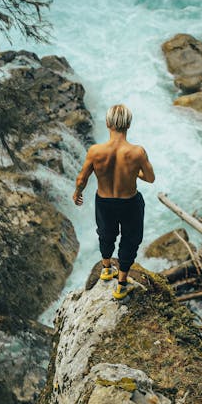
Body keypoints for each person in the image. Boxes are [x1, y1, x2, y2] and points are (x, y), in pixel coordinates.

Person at [72, 103, 155, 300]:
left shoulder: (95, 151)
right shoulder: (138, 152)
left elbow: (82, 178)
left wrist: (77, 192)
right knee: (130, 239)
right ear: (128, 124)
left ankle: (107, 268)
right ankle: (121, 285)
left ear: (108, 123)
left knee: (105, 234)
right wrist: (133, 172)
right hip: (130, 203)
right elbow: (150, 178)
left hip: (104, 202)